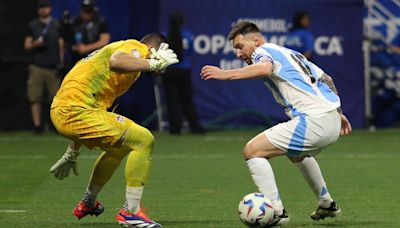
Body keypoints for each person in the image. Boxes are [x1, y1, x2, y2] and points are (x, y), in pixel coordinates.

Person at [201, 22, 352, 226]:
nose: (238, 53)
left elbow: (264, 68)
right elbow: (327, 79)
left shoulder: (263, 51)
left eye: (239, 46)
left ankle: (276, 212)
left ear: (255, 40)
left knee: (252, 150)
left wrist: (225, 74)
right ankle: (326, 203)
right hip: (329, 119)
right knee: (296, 154)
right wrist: (338, 113)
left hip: (314, 120)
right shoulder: (290, 53)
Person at [49, 34, 178, 228]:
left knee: (119, 148)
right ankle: (131, 212)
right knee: (143, 139)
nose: (164, 64)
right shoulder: (137, 48)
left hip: (68, 112)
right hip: (73, 112)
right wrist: (151, 62)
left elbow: (92, 108)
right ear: (154, 48)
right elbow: (116, 61)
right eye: (163, 55)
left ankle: (88, 202)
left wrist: (72, 152)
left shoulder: (124, 66)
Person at [24, 0, 64, 134]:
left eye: (46, 7)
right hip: (37, 66)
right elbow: (27, 45)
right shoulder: (33, 25)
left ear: (50, 8)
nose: (44, 10)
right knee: (35, 97)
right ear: (38, 10)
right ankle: (37, 126)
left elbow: (61, 45)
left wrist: (61, 62)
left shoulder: (57, 25)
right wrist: (36, 44)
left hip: (53, 66)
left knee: (56, 99)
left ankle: (56, 125)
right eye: (41, 8)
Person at [161, 13, 204, 134]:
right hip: (184, 70)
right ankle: (194, 126)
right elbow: (190, 53)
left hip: (169, 70)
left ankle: (175, 128)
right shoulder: (188, 36)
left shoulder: (164, 36)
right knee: (187, 99)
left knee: (172, 100)